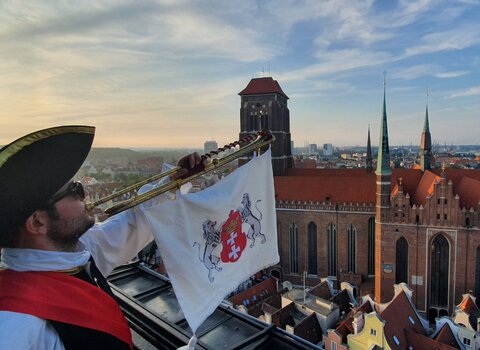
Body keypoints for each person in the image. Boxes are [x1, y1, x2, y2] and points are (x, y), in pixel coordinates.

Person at [0, 125, 204, 349]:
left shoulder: (71, 253)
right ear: (38, 222)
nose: (85, 195)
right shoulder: (15, 326)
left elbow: (132, 223)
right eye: (75, 190)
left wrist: (174, 182)